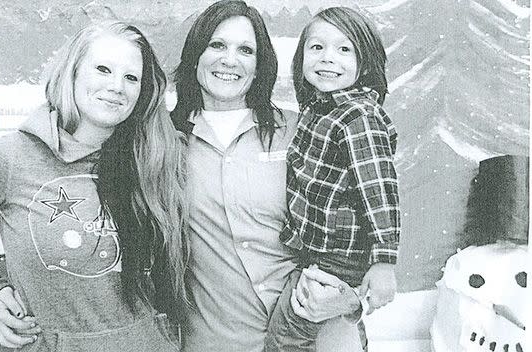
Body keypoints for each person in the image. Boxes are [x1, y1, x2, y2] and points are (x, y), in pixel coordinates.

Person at [0, 20, 187, 352]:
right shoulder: (9, 159)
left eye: (131, 77)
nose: (117, 86)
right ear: (72, 73)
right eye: (103, 69)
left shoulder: (155, 159)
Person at [171, 2, 362, 351]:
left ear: (259, 67)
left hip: (320, 335)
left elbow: (366, 215)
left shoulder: (302, 129)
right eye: (217, 45)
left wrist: (352, 300)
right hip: (220, 340)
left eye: (245, 50)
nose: (230, 59)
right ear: (195, 55)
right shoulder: (164, 140)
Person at [265, 7, 400, 351]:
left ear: (364, 62)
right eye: (317, 48)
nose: (328, 59)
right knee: (331, 332)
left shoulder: (358, 117)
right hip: (317, 251)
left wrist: (383, 261)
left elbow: (379, 191)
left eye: (344, 50)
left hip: (340, 256)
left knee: (287, 334)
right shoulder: (319, 109)